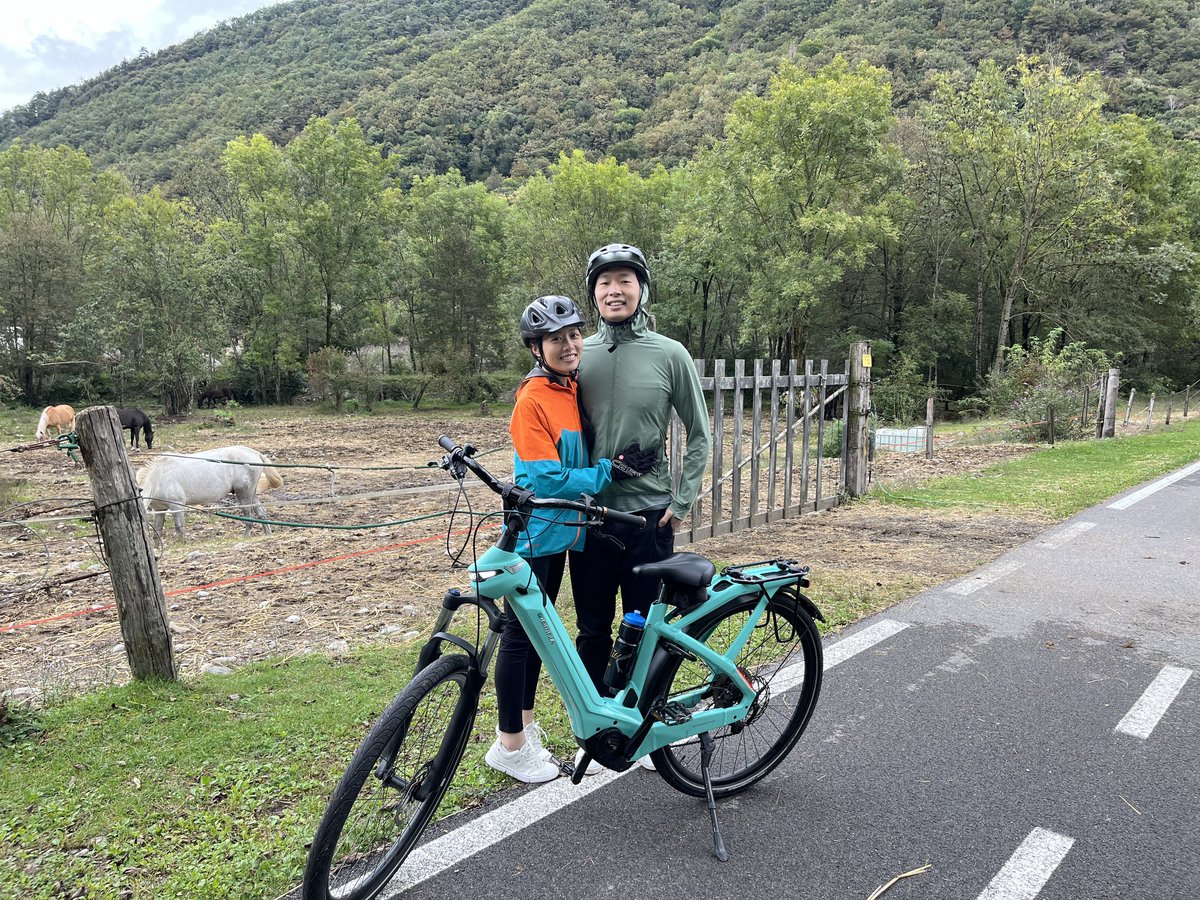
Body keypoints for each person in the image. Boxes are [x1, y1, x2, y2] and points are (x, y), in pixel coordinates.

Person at [484, 295, 654, 784]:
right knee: (521, 638)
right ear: (537, 348)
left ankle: (525, 731)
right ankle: (510, 744)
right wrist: (609, 471)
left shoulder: (569, 389)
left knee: (539, 632)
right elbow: (547, 481)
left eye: (575, 334)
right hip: (536, 532)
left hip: (562, 533)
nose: (570, 344)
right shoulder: (533, 400)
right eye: (556, 339)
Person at [570, 243, 712, 773]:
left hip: (649, 518)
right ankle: (593, 727)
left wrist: (683, 499)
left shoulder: (669, 353)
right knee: (591, 629)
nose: (614, 290)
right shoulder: (577, 354)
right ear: (594, 293)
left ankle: (644, 725)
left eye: (625, 280)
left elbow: (700, 432)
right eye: (604, 282)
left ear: (641, 289)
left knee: (649, 627)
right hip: (589, 518)